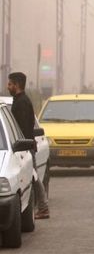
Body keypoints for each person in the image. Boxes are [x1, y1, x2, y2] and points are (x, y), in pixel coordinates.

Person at [7, 72, 49, 219]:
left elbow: (23, 128)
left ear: (17, 85)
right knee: (33, 176)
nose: (8, 86)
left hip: (25, 148)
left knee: (34, 177)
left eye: (10, 84)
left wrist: (23, 147)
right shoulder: (20, 100)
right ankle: (42, 207)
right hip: (25, 147)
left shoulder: (22, 103)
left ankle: (43, 207)